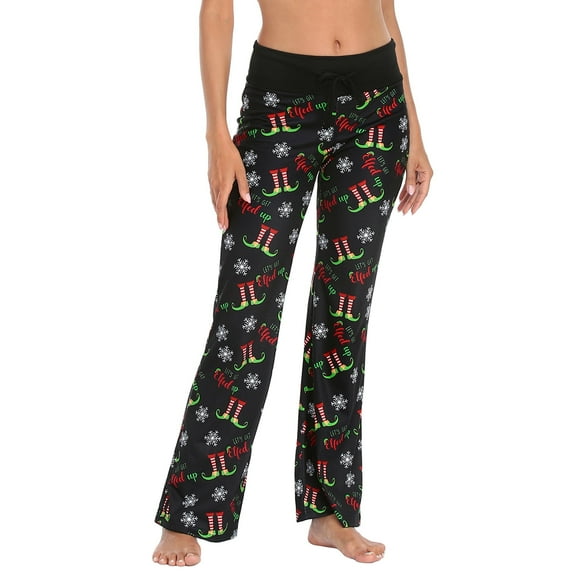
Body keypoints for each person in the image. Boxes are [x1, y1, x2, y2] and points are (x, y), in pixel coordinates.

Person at [152, 0, 433, 566]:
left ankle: (331, 511)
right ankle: (189, 514)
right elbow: (217, 11)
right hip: (280, 106)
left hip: (378, 110)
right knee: (244, 319)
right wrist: (216, 136)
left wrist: (416, 132)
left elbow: (387, 12)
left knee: (344, 319)